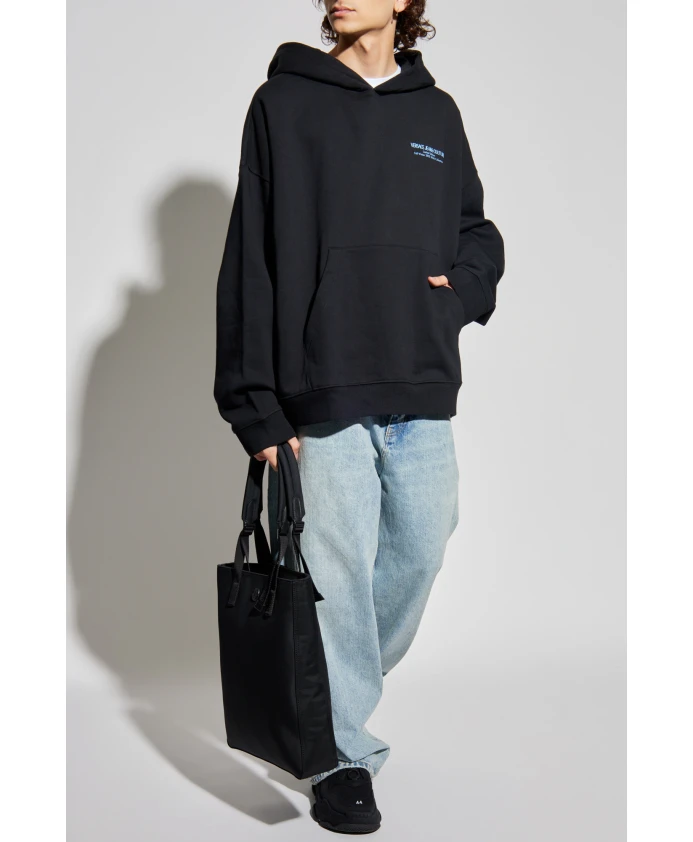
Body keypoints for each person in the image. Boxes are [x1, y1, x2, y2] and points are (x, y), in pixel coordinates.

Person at [214, 0, 505, 833]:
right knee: (335, 577)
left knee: (420, 548)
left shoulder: (434, 113)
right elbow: (250, 258)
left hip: (418, 377)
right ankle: (341, 756)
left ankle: (326, 700)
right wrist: (255, 406)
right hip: (322, 383)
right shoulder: (283, 104)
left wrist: (461, 293)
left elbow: (474, 229)